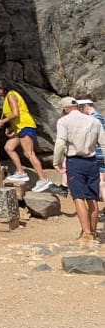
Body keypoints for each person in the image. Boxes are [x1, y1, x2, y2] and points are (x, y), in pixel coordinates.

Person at [53, 97, 105, 245]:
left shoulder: (63, 121)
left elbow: (60, 143)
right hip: (92, 161)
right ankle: (93, 232)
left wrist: (56, 162)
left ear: (65, 108)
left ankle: (86, 233)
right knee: (92, 198)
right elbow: (104, 143)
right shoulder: (94, 121)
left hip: (75, 161)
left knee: (78, 197)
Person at [0, 79, 51, 191]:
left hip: (25, 125)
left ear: (4, 87)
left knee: (29, 153)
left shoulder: (11, 95)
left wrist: (3, 121)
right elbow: (14, 116)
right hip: (19, 128)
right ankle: (21, 172)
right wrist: (10, 127)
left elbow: (15, 113)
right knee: (9, 147)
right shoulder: (6, 98)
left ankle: (43, 179)